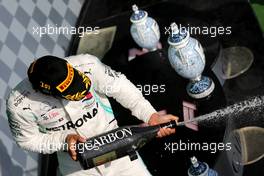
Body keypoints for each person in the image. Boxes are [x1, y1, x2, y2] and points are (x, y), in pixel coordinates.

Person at [6, 54, 178, 176]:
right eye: (71, 91)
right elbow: (26, 140)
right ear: (46, 91)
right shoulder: (19, 104)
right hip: (76, 169)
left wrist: (151, 115)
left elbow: (121, 88)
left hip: (122, 155)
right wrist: (63, 140)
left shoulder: (87, 64)